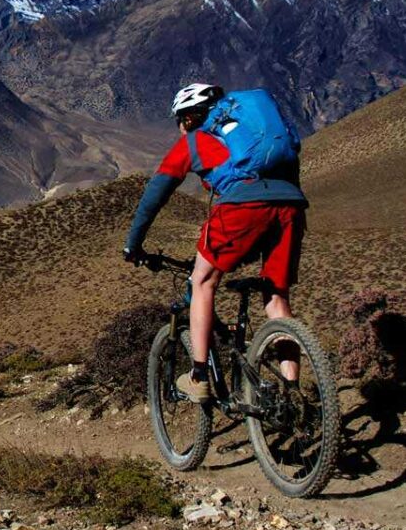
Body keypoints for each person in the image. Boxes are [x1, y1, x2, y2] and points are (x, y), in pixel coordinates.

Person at [122, 83, 307, 402]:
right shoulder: (256, 136)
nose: (179, 128)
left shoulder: (194, 141)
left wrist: (133, 244)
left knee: (203, 281)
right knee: (276, 299)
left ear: (189, 118)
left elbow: (155, 195)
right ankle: (293, 394)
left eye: (179, 120)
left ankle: (198, 376)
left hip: (241, 209)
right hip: (291, 206)